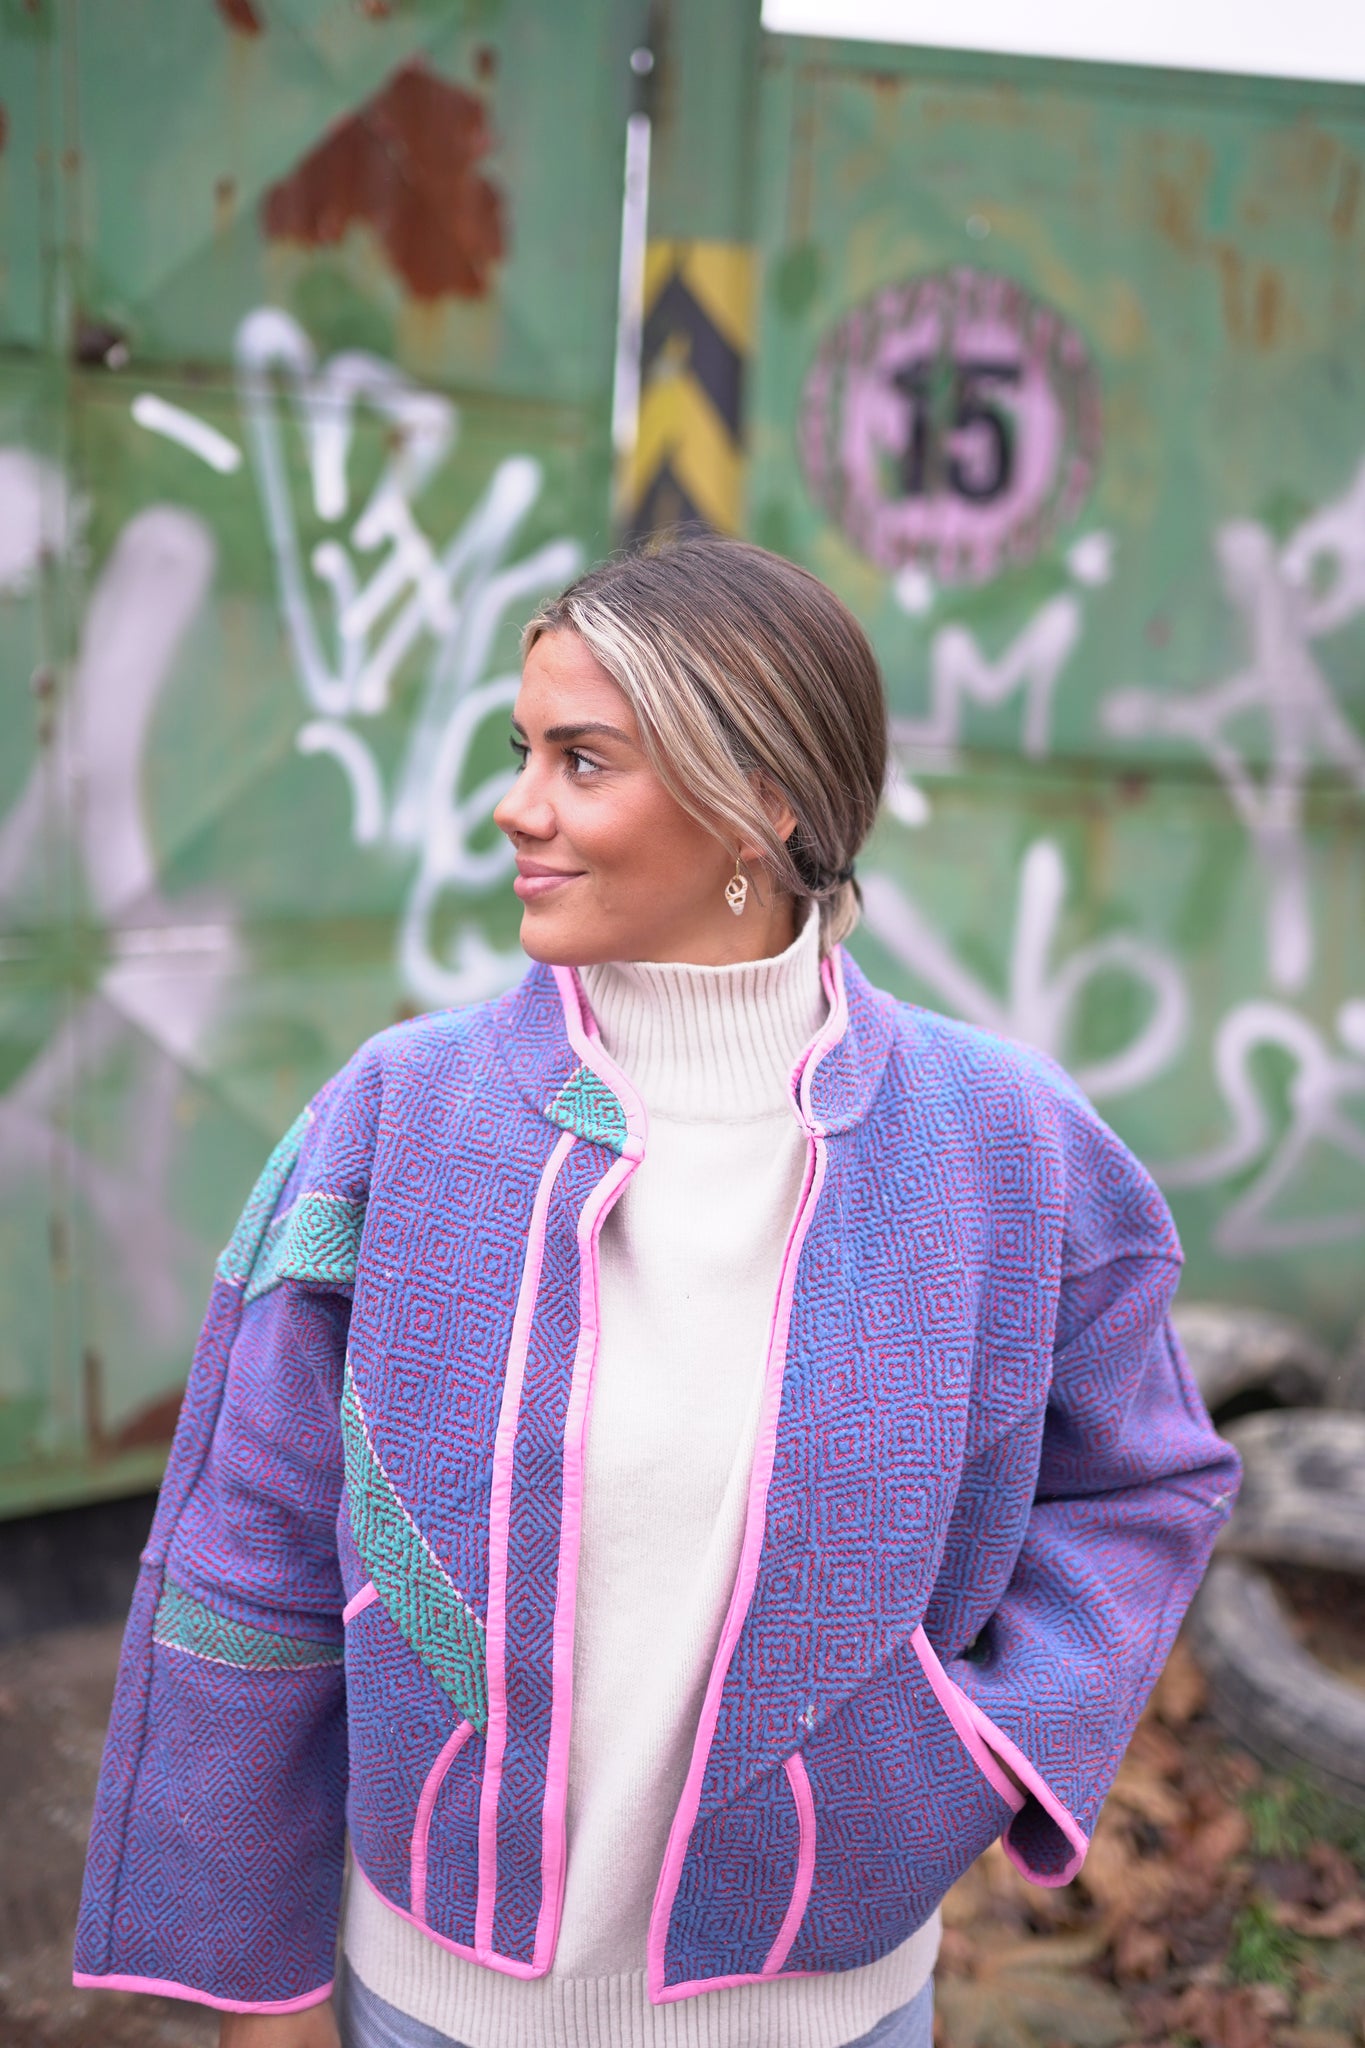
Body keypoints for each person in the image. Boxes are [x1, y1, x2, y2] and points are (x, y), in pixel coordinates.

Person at [73, 538, 1238, 2048]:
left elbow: (1142, 1482)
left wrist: (967, 1751)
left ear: (764, 799)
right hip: (429, 2002)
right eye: (520, 751)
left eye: (582, 760)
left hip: (827, 2011)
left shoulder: (1004, 1147)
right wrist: (259, 1974)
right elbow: (254, 1552)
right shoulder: (399, 1120)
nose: (517, 806)